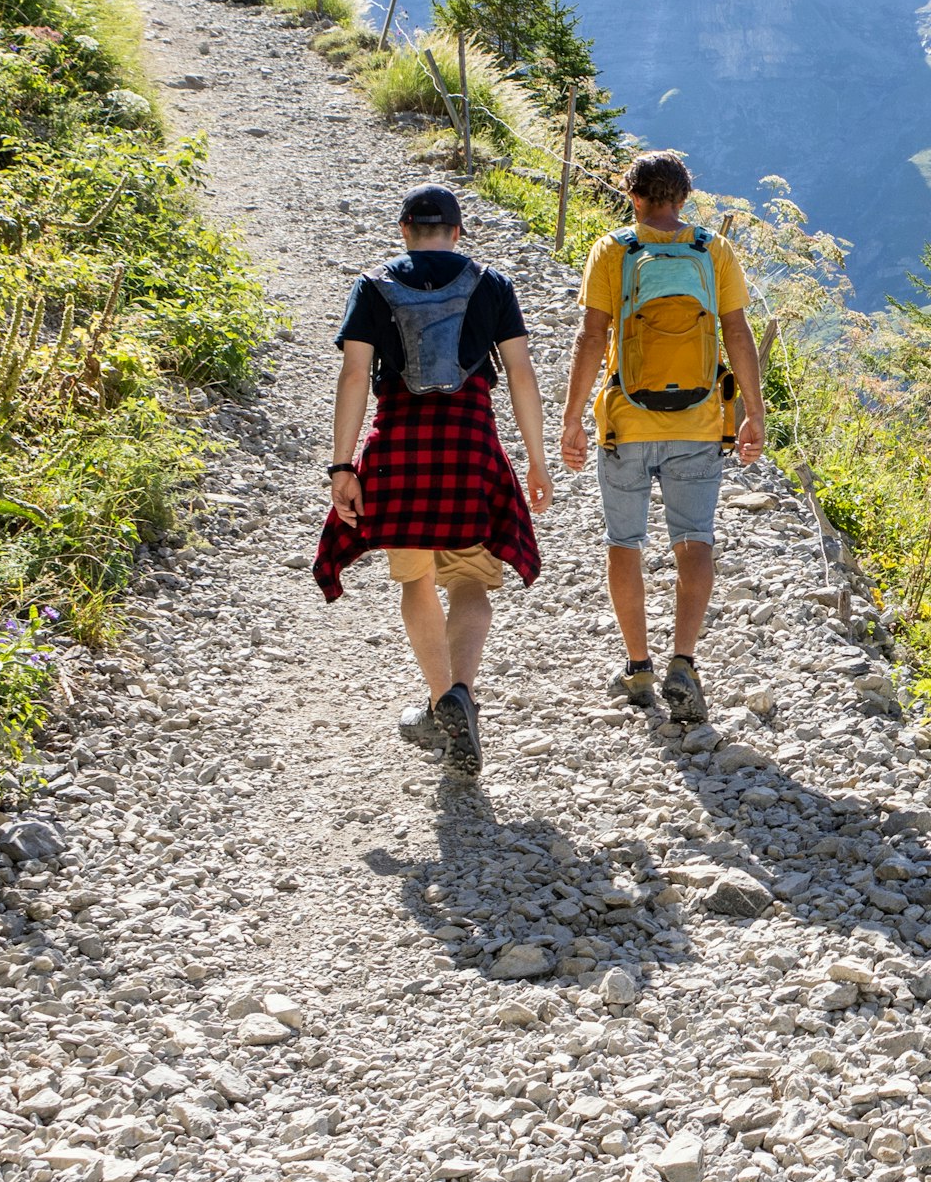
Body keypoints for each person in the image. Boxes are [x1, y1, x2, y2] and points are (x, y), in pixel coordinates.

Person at [313, 184, 555, 776]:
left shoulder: (373, 286)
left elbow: (352, 376)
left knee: (416, 578)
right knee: (472, 579)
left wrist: (343, 465)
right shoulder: (491, 284)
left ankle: (437, 699)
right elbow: (520, 373)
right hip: (470, 447)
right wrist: (536, 458)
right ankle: (461, 696)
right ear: (457, 232)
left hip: (399, 449)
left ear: (403, 230)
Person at [558, 150, 774, 724]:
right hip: (700, 422)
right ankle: (684, 662)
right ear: (683, 198)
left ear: (633, 196)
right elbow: (738, 334)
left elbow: (591, 336)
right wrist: (753, 413)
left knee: (625, 540)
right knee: (694, 538)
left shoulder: (613, 250)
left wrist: (572, 416)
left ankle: (638, 667)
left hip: (627, 419)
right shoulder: (713, 249)